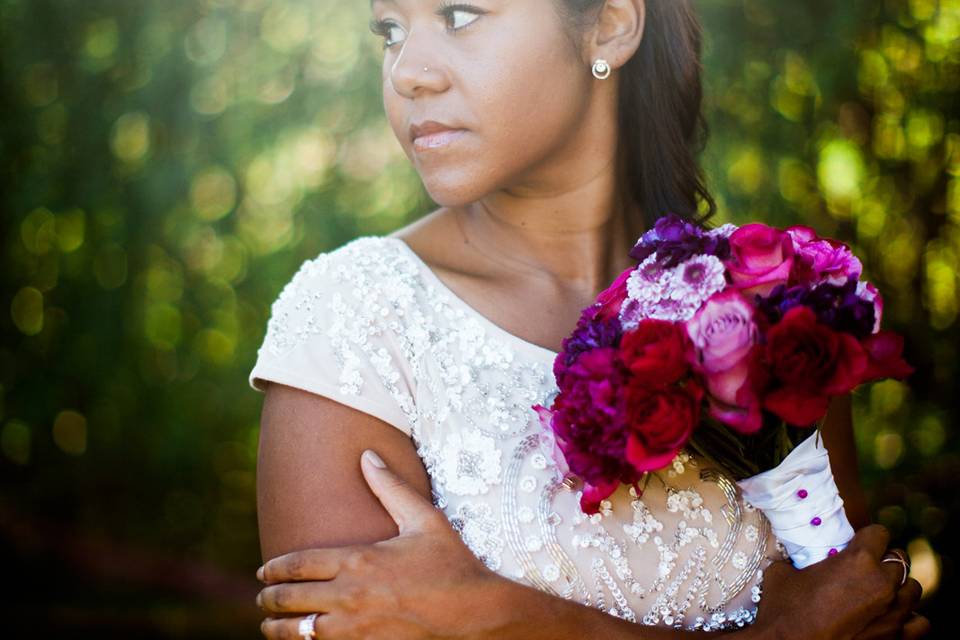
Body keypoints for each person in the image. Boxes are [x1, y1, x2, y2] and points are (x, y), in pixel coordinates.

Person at [248, 0, 930, 637]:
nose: (409, 74)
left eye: (459, 15)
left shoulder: (766, 302)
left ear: (608, 25)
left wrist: (491, 615)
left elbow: (850, 603)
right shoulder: (354, 320)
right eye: (390, 32)